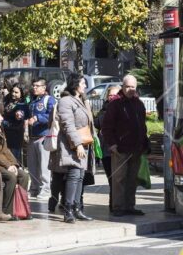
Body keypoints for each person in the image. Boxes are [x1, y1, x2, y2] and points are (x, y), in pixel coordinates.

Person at [49, 74, 94, 223]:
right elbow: (68, 125)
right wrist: (78, 144)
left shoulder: (80, 100)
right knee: (74, 176)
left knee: (80, 176)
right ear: (76, 85)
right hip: (71, 145)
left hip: (82, 143)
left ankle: (77, 208)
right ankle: (68, 209)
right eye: (83, 83)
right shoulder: (65, 101)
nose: (85, 86)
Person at [102, 74, 149, 217]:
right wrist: (113, 144)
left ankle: (130, 206)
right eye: (127, 86)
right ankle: (118, 207)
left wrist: (145, 144)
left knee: (132, 179)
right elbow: (107, 126)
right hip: (120, 149)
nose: (130, 89)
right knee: (119, 179)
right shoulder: (115, 104)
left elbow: (142, 126)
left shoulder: (139, 104)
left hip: (136, 148)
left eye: (133, 87)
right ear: (122, 86)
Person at [26, 77, 56, 200]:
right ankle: (34, 188)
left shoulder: (49, 100)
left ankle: (46, 189)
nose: (34, 88)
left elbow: (52, 115)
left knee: (44, 167)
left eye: (37, 86)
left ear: (44, 88)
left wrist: (38, 118)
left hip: (43, 137)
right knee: (32, 166)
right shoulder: (32, 101)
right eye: (33, 85)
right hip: (32, 137)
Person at [93, 84, 121, 212]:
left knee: (119, 179)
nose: (112, 97)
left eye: (115, 95)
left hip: (120, 149)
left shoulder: (123, 108)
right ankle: (113, 205)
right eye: (110, 95)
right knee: (111, 178)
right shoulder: (105, 109)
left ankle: (120, 204)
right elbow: (97, 123)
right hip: (106, 149)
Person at [2, 84, 28, 164]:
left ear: (21, 94)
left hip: (15, 134)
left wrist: (2, 122)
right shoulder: (9, 101)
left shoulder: (22, 104)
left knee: (14, 158)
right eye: (12, 91)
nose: (13, 94)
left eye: (16, 92)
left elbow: (20, 118)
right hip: (6, 133)